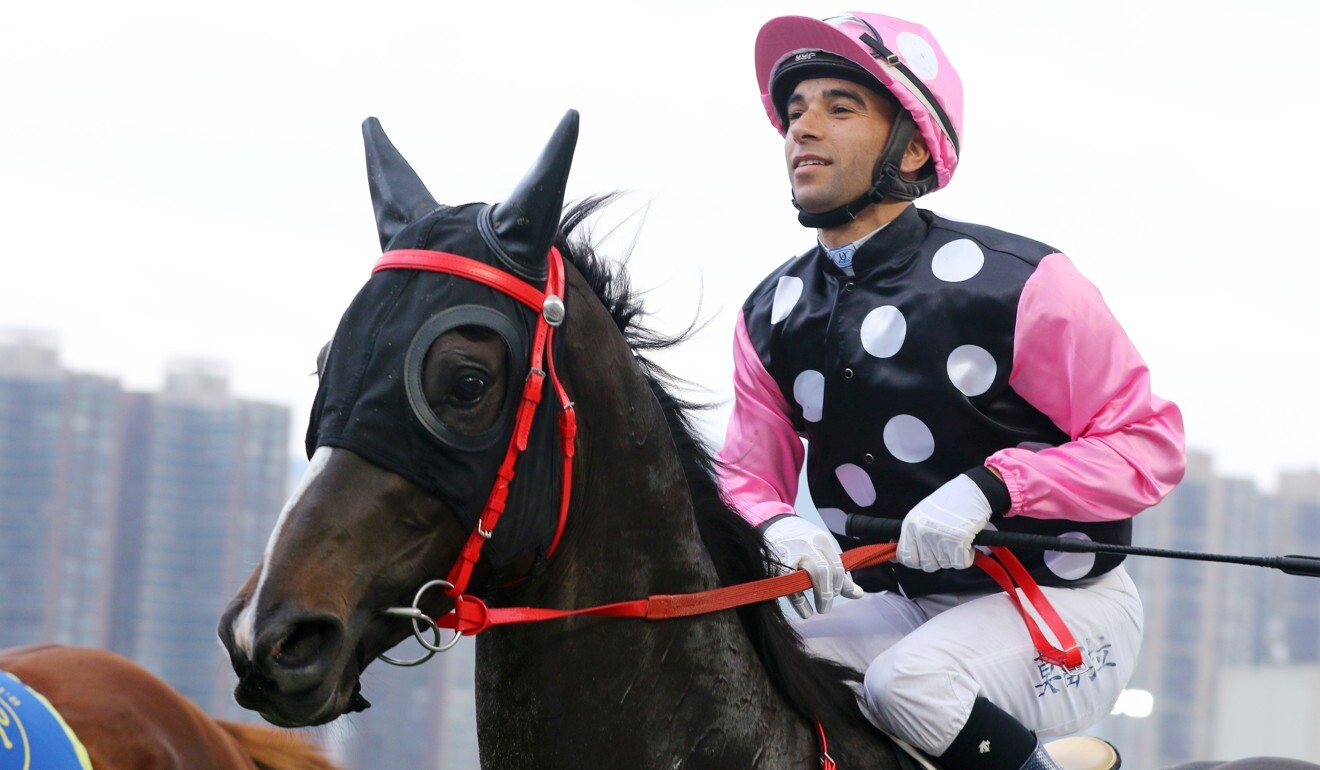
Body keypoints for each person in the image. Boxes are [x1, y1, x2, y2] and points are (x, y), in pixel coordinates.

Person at [716, 11, 1186, 770]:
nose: (803, 128)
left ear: (910, 143)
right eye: (796, 110)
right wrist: (774, 524)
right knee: (738, 660)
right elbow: (743, 473)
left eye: (840, 107)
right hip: (906, 605)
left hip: (1064, 606)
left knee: (912, 684)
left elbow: (1149, 445)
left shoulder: (1021, 284)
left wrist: (990, 489)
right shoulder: (770, 314)